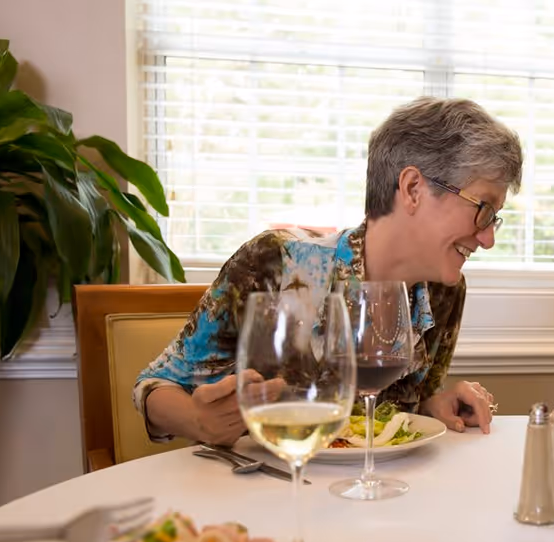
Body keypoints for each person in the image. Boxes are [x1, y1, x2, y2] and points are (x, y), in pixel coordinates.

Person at [133, 96, 523, 446]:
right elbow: (153, 386)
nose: (487, 238)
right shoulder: (274, 263)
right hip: (270, 497)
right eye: (483, 209)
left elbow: (387, 425)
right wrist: (198, 421)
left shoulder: (443, 292)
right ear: (413, 189)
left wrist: (433, 405)